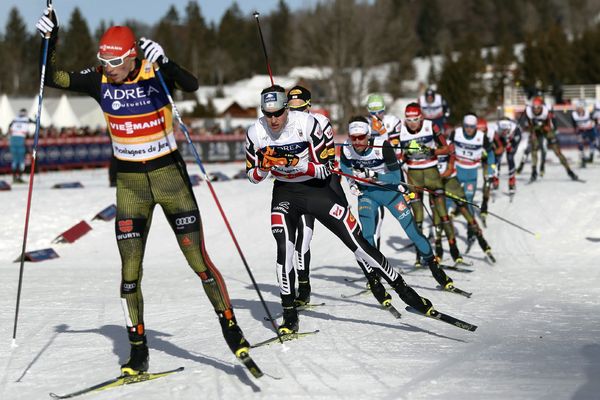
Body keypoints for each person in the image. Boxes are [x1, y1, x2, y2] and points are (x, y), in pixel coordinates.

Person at [36, 8, 251, 375]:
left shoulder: (154, 72)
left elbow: (192, 85)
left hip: (170, 179)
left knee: (197, 261)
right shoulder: (99, 79)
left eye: (115, 60)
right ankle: (138, 351)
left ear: (132, 54)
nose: (108, 67)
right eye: (103, 59)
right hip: (130, 185)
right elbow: (53, 77)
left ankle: (230, 327)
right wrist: (48, 41)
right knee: (130, 273)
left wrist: (166, 61)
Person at [246, 85, 435, 334]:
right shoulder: (256, 132)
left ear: (287, 110)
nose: (273, 120)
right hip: (285, 193)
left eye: (278, 113)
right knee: (285, 250)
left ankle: (404, 291)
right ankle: (289, 313)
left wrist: (295, 162)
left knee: (357, 243)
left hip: (317, 190)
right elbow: (251, 175)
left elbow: (325, 168)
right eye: (267, 114)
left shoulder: (309, 124)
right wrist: (265, 167)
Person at [340, 116, 454, 290]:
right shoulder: (347, 148)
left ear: (368, 134)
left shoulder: (382, 146)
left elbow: (395, 178)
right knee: (367, 236)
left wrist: (373, 175)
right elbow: (345, 167)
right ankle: (374, 275)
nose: (357, 141)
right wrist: (352, 183)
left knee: (412, 232)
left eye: (361, 137)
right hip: (367, 195)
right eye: (353, 137)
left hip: (391, 194)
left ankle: (435, 269)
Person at [286, 85, 338, 307]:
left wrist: (317, 164)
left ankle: (371, 273)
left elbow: (329, 154)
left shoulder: (319, 122)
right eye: (291, 106)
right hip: (293, 190)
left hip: (320, 185)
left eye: (299, 105)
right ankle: (303, 286)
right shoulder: (282, 123)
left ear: (308, 105)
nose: (295, 110)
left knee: (346, 230)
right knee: (299, 240)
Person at [398, 102, 463, 265]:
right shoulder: (400, 130)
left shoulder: (430, 126)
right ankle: (420, 255)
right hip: (414, 176)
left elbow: (447, 149)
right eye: (409, 120)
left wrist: (431, 151)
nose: (412, 124)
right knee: (417, 217)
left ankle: (454, 251)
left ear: (421, 118)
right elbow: (399, 156)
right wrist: (404, 156)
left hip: (432, 174)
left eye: (415, 120)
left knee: (442, 212)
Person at [434, 129, 494, 260]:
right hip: (435, 184)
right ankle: (441, 249)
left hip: (451, 183)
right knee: (439, 215)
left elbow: (450, 168)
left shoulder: (450, 145)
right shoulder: (428, 147)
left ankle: (480, 238)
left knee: (465, 208)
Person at [365, 94, 401, 249]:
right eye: (373, 113)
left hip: (390, 171)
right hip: (371, 173)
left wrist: (382, 132)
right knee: (375, 216)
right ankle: (374, 254)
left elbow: (392, 149)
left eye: (379, 112)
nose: (376, 116)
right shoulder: (364, 124)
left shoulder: (392, 122)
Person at [524, 96, 578, 181]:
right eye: (534, 107)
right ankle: (534, 171)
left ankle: (569, 171)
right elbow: (530, 125)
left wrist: (549, 129)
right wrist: (532, 133)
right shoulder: (529, 112)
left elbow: (549, 125)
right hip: (536, 130)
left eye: (538, 107)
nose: (536, 110)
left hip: (547, 130)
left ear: (541, 106)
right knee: (533, 148)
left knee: (557, 152)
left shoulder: (546, 111)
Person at [449, 114, 492, 220]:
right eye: (466, 126)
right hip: (457, 170)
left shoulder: (482, 137)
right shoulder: (456, 133)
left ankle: (471, 230)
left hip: (471, 173)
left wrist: (491, 167)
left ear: (475, 127)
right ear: (463, 125)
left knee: (469, 199)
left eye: (472, 126)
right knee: (451, 197)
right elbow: (446, 147)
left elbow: (491, 153)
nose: (469, 129)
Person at [7, 108, 34, 183]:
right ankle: (19, 177)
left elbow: (9, 126)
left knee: (15, 160)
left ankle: (14, 178)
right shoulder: (27, 119)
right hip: (21, 139)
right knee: (21, 160)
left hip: (13, 140)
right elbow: (36, 123)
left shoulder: (15, 119)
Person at [571, 100, 597, 167]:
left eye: (581, 107)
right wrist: (576, 130)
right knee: (580, 145)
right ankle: (583, 160)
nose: (580, 109)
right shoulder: (573, 114)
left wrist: (594, 124)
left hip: (590, 129)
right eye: (578, 107)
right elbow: (574, 124)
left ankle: (591, 156)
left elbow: (594, 120)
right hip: (581, 130)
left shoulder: (588, 112)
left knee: (595, 144)